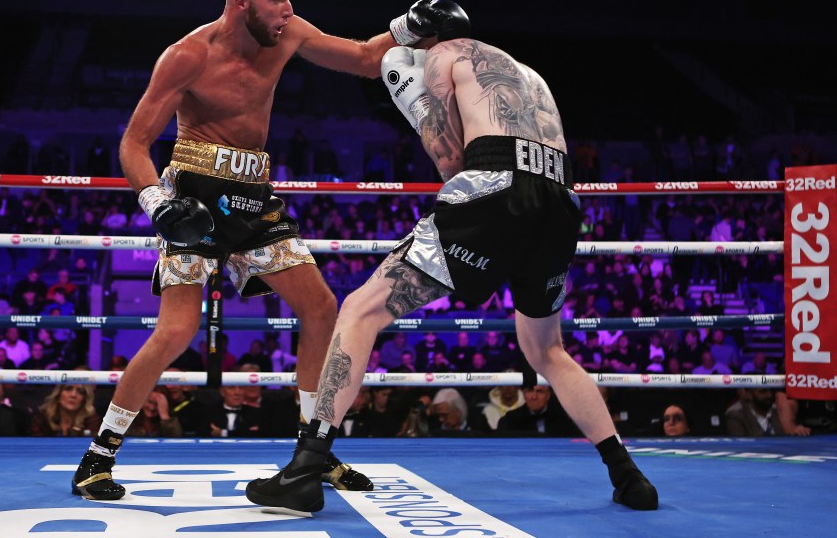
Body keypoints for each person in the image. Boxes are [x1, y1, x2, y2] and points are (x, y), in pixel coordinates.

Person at [71, 0, 469, 500]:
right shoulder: (187, 56)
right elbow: (134, 143)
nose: (287, 9)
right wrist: (158, 204)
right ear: (241, 2)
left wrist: (409, 24)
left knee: (322, 307)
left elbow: (360, 58)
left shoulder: (289, 33)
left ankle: (314, 452)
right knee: (177, 330)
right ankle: (97, 457)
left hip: (255, 199)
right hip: (196, 199)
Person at [245, 37, 658, 513]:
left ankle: (304, 468)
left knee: (360, 310)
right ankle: (628, 475)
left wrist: (412, 97)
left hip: (495, 192)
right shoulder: (531, 76)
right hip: (561, 203)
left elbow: (451, 162)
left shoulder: (443, 55)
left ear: (420, 41)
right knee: (547, 349)